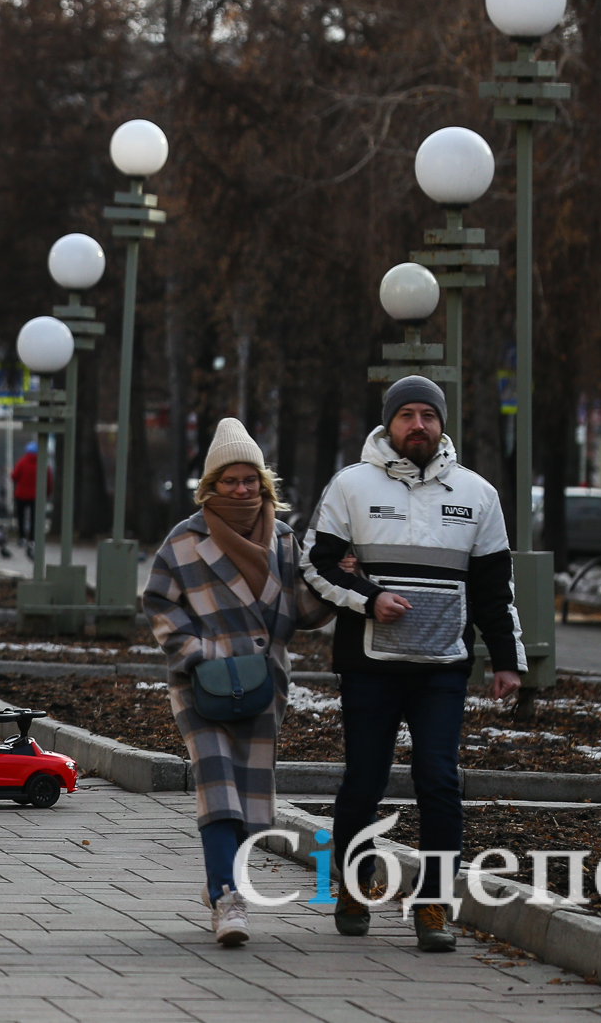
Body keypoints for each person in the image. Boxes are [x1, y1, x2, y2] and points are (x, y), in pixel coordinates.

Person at [302, 376, 526, 952]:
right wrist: (369, 598)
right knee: (363, 783)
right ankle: (354, 888)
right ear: (389, 423)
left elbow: (495, 589)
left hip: (442, 669)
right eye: (407, 415)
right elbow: (317, 566)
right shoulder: (350, 486)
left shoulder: (478, 494)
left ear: (442, 423)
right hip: (369, 666)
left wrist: (507, 661)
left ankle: (432, 906)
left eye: (429, 414)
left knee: (440, 781)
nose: (418, 425)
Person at [143, 419, 334, 947]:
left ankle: (217, 877)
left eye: (250, 479)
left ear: (263, 482)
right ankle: (228, 897)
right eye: (230, 480)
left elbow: (302, 610)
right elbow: (159, 602)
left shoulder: (287, 541)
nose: (242, 489)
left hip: (262, 686)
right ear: (211, 485)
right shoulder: (185, 540)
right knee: (217, 786)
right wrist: (195, 653)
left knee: (251, 800)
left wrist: (338, 580)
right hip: (200, 682)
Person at [9, 441, 52, 551]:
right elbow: (49, 480)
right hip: (36, 496)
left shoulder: (22, 462)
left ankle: (21, 538)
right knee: (34, 518)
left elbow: (14, 476)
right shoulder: (43, 463)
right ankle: (33, 539)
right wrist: (47, 493)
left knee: (21, 517)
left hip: (21, 494)